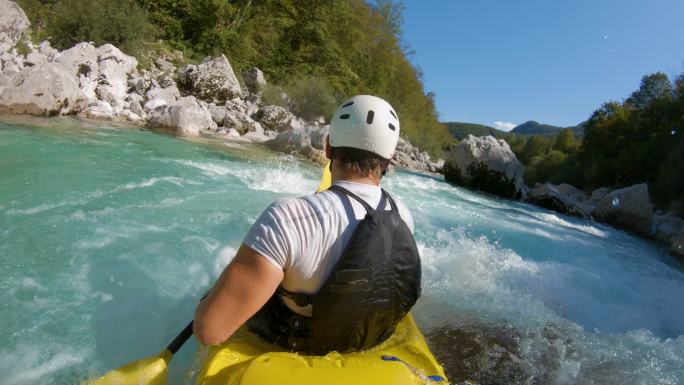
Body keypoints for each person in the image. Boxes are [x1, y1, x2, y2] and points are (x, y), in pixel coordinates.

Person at [193, 95, 421, 354]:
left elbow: (209, 331)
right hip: (370, 338)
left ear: (328, 147)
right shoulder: (402, 213)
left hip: (300, 342)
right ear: (390, 157)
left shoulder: (286, 218)